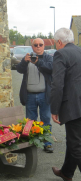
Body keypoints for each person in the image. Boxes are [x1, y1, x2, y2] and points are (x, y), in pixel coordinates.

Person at [51, 28, 81, 181]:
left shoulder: (61, 54)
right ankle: (66, 172)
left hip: (73, 106)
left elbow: (57, 85)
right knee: (73, 140)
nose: (56, 46)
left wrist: (54, 109)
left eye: (56, 43)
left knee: (76, 146)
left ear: (60, 42)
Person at [17, 38, 53, 153]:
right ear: (32, 47)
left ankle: (47, 143)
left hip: (44, 94)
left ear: (44, 46)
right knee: (30, 121)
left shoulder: (48, 58)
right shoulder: (27, 58)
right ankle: (31, 143)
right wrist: (24, 61)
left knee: (45, 119)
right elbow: (19, 69)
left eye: (40, 45)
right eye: (35, 45)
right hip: (30, 95)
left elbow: (51, 68)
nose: (38, 47)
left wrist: (38, 62)